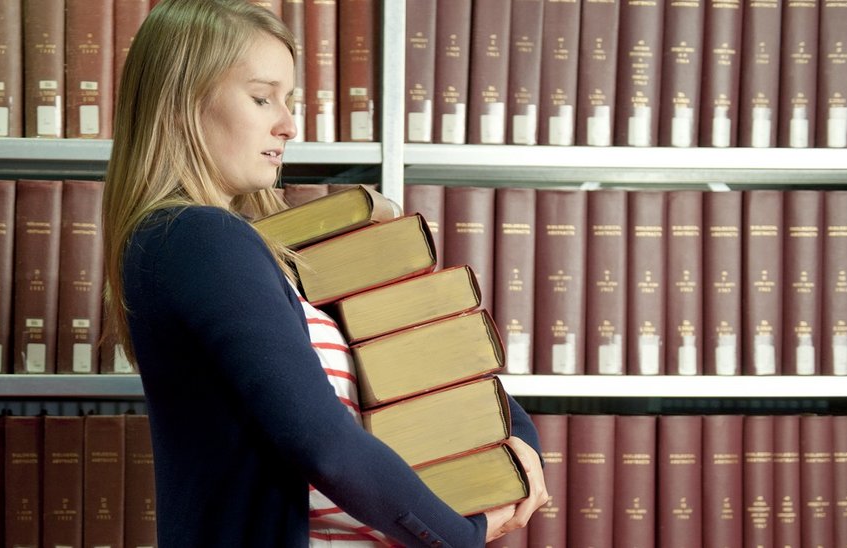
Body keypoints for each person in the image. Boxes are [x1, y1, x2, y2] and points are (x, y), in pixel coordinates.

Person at [102, 1, 548, 545]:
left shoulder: (256, 248)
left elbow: (419, 361)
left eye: (287, 100)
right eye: (262, 97)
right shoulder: (196, 238)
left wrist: (518, 440)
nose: (288, 124)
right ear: (182, 102)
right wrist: (458, 537)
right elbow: (325, 443)